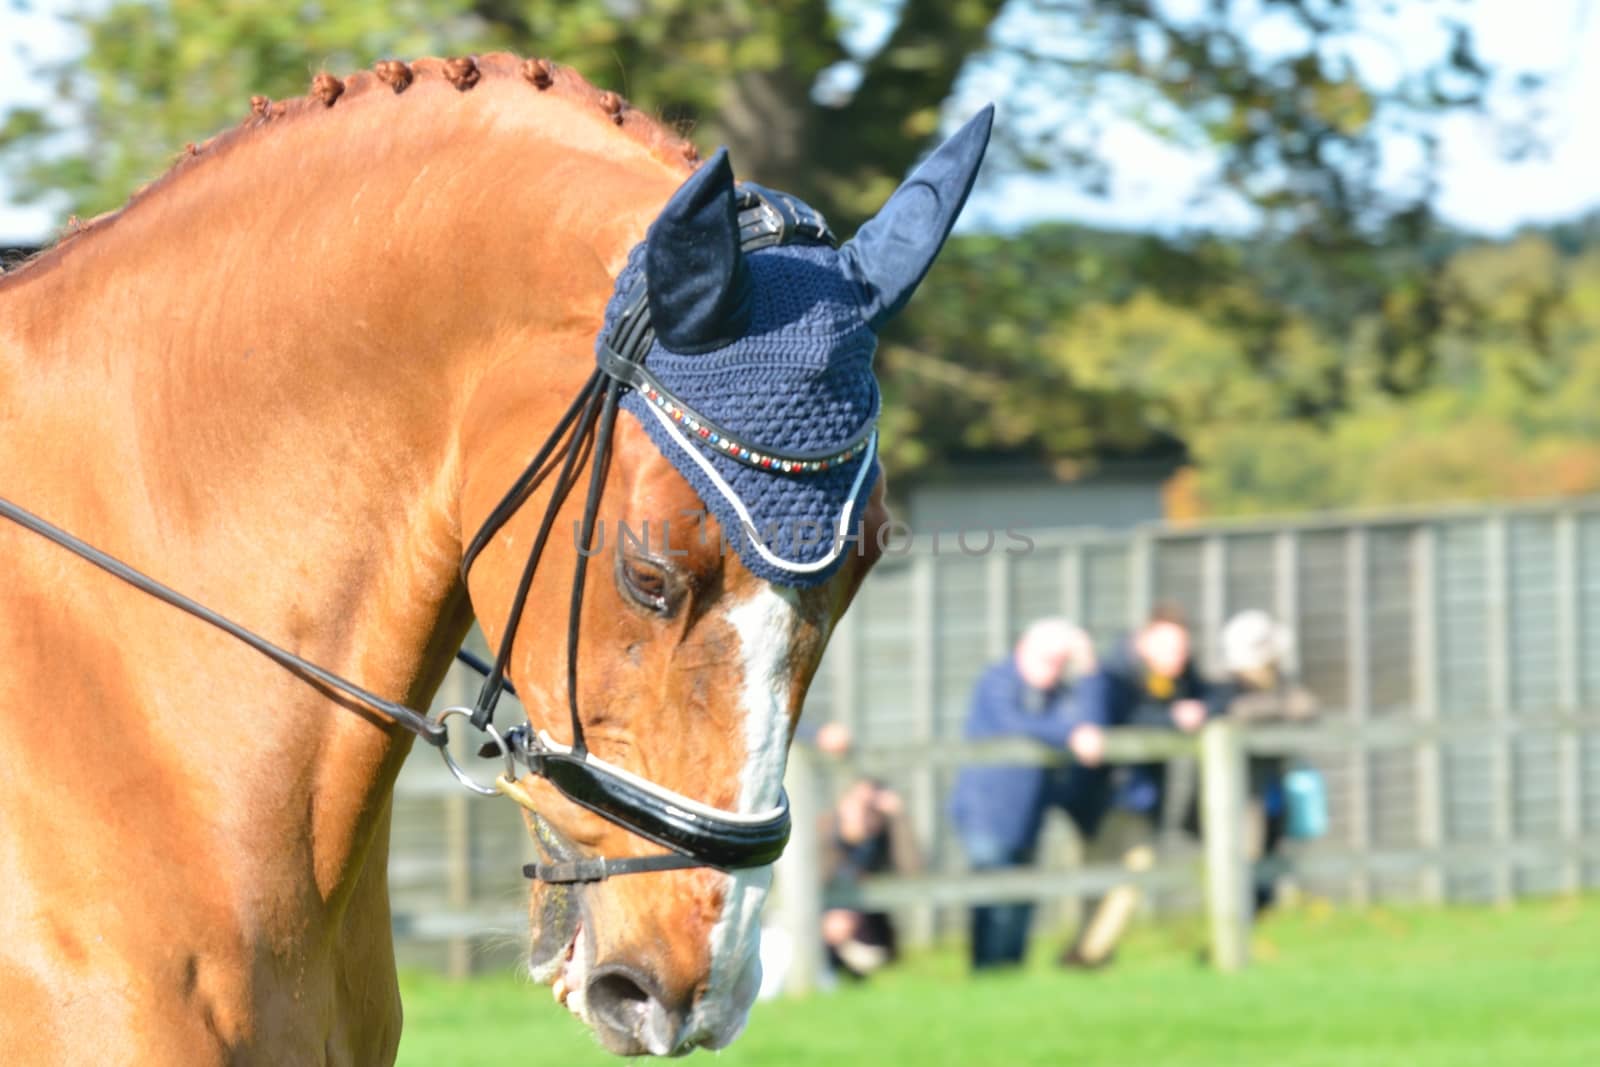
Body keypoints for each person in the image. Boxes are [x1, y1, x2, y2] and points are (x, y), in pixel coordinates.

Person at [1059, 604, 1209, 968]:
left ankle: (1089, 956)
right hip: (1100, 796)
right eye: (1170, 649)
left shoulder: (1180, 676)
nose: (1178, 658)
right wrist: (1171, 718)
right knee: (1095, 882)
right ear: (1144, 641)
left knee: (1133, 876)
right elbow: (1114, 718)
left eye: (1181, 650)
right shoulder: (1113, 673)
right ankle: (1084, 954)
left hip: (1142, 798)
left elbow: (1211, 697)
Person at [949, 617, 1104, 970]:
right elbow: (1016, 725)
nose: (1053, 669)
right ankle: (987, 978)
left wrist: (1090, 668)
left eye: (1060, 662)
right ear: (1023, 650)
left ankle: (1008, 979)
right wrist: (1072, 735)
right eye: (1047, 660)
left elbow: (1092, 723)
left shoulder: (1057, 694)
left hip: (1030, 815)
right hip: (986, 813)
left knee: (1021, 904)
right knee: (994, 904)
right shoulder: (998, 680)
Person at [1199, 609, 1318, 912]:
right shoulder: (1225, 686)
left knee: (1270, 863)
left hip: (1274, 791)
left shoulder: (1280, 684)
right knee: (1241, 867)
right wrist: (1275, 708)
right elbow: (1233, 712)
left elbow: (1306, 707)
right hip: (1242, 797)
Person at [818, 777, 920, 979]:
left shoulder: (883, 838)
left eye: (872, 809)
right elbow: (815, 880)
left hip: (866, 925)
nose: (865, 814)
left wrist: (899, 818)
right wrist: (846, 834)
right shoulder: (823, 829)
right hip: (819, 918)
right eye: (860, 805)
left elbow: (913, 871)